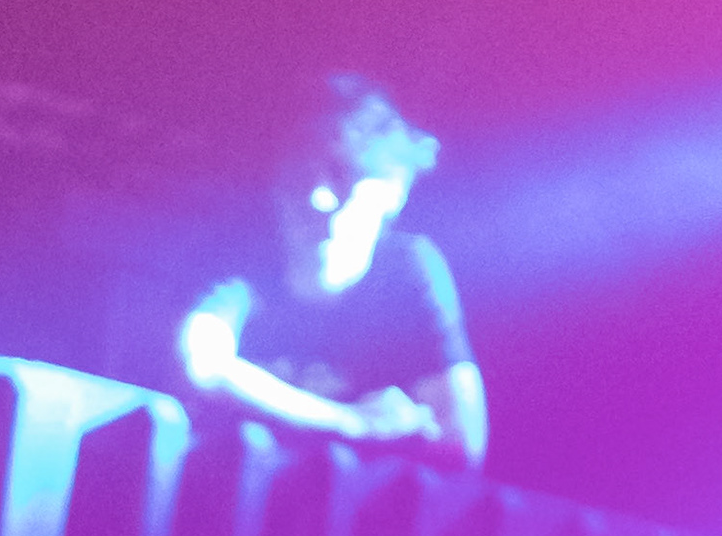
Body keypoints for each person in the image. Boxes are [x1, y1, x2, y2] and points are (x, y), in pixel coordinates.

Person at [173, 70, 487, 464]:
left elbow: (463, 440)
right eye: (299, 176)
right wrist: (352, 423)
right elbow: (202, 366)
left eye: (344, 176)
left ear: (394, 191)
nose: (319, 198)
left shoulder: (409, 268)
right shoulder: (241, 249)